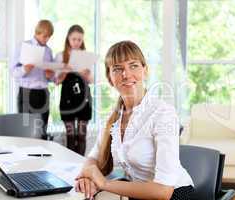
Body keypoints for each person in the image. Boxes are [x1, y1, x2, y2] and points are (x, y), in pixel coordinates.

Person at [75, 41, 194, 200]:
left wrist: (103, 183)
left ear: (145, 71)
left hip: (174, 194)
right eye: (118, 69)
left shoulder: (163, 113)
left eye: (133, 66)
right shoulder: (114, 116)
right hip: (139, 193)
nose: (126, 74)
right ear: (110, 78)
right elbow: (93, 158)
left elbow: (163, 191)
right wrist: (86, 177)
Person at [11, 19, 55, 139]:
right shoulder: (23, 46)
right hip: (26, 92)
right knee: (25, 131)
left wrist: (49, 75)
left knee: (41, 131)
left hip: (43, 93)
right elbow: (13, 72)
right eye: (44, 36)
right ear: (37, 32)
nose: (46, 39)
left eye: (49, 37)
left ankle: (41, 157)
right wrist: (25, 69)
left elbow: (52, 77)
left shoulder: (48, 51)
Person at [55, 25, 93, 155]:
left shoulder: (86, 56)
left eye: (79, 40)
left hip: (84, 100)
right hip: (67, 100)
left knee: (81, 136)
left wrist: (86, 74)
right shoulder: (60, 56)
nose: (76, 42)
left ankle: (81, 168)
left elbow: (91, 80)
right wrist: (66, 70)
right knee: (70, 136)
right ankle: (70, 169)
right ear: (68, 39)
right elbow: (56, 81)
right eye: (74, 39)